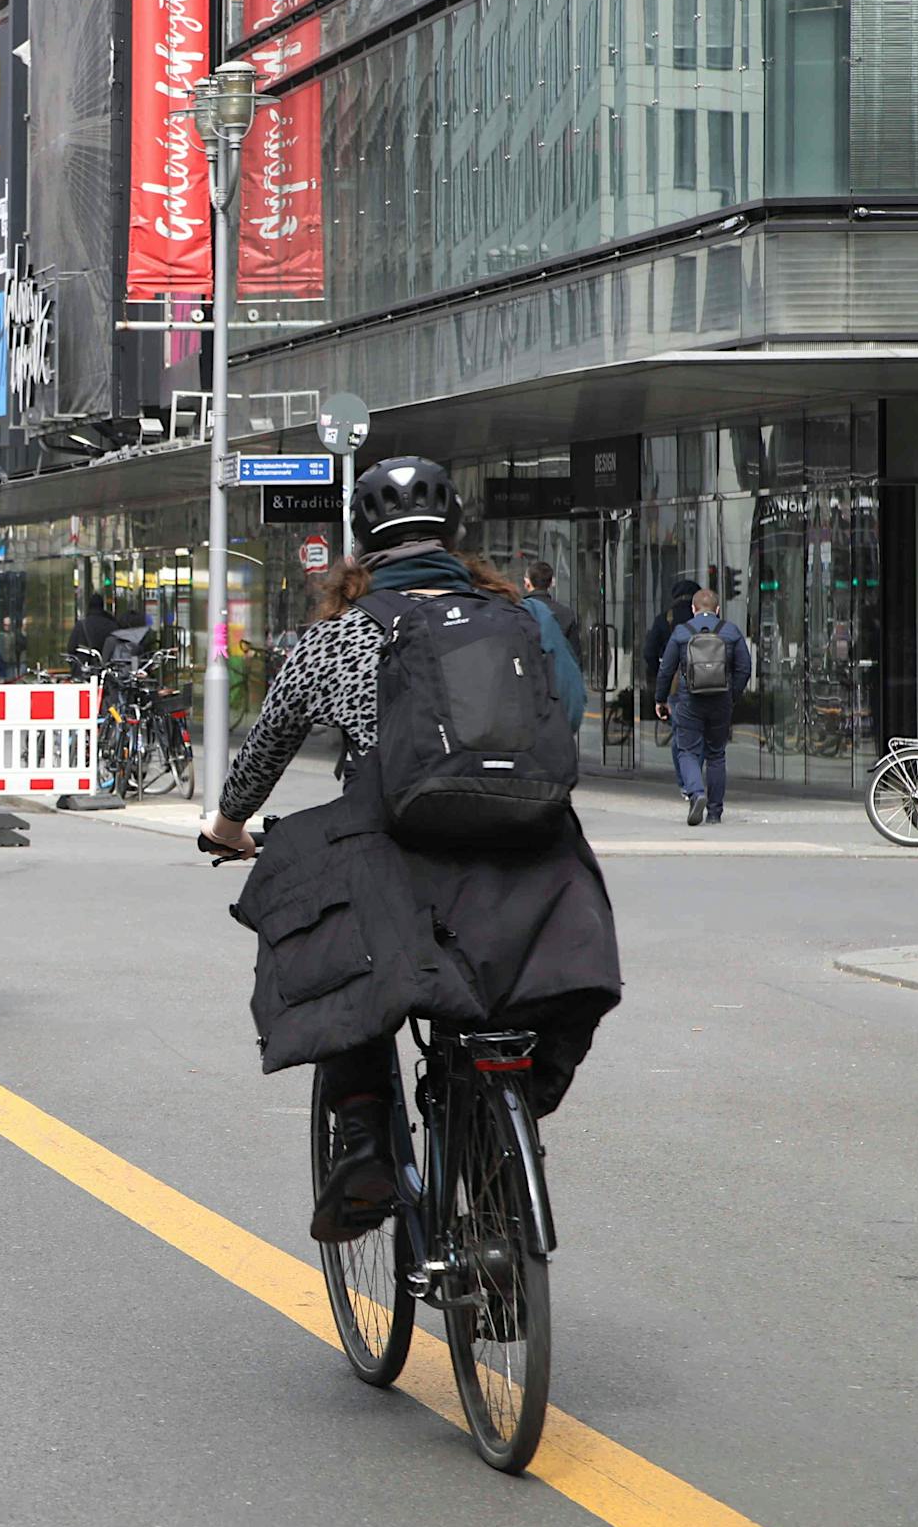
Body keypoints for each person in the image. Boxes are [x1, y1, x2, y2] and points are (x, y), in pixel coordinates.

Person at [200, 455, 616, 1245]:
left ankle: (362, 1140)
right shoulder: (520, 620)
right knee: (527, 994)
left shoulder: (338, 636)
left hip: (393, 851)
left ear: (362, 542)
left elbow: (269, 744)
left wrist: (227, 824)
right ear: (454, 534)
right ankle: (510, 1135)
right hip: (526, 847)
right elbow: (563, 714)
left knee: (335, 955)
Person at [655, 588, 752, 826]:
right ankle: (715, 813)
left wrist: (660, 699)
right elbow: (744, 667)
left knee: (687, 751)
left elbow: (666, 669)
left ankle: (696, 793)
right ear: (718, 610)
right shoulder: (730, 631)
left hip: (690, 700)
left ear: (693, 609)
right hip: (721, 700)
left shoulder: (681, 632)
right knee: (716, 754)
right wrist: (732, 695)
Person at [641, 578, 699, 705]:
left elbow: (649, 653)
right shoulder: (707, 620)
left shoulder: (663, 619)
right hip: (705, 682)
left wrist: (661, 673)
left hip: (674, 684)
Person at [521, 560, 580, 664]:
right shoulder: (566, 613)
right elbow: (574, 656)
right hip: (558, 675)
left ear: (527, 583)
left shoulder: (518, 611)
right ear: (550, 583)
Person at [69, 592, 119, 665]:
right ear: (102, 606)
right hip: (106, 670)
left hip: (85, 668)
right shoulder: (112, 625)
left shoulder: (81, 625)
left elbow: (71, 649)